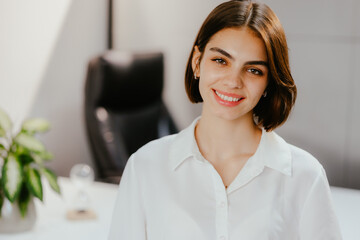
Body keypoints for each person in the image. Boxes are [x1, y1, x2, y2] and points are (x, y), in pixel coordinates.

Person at [108, 0, 342, 239]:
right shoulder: (146, 167)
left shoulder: (304, 176)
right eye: (221, 61)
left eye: (253, 70)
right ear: (197, 62)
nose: (233, 81)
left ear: (268, 84)